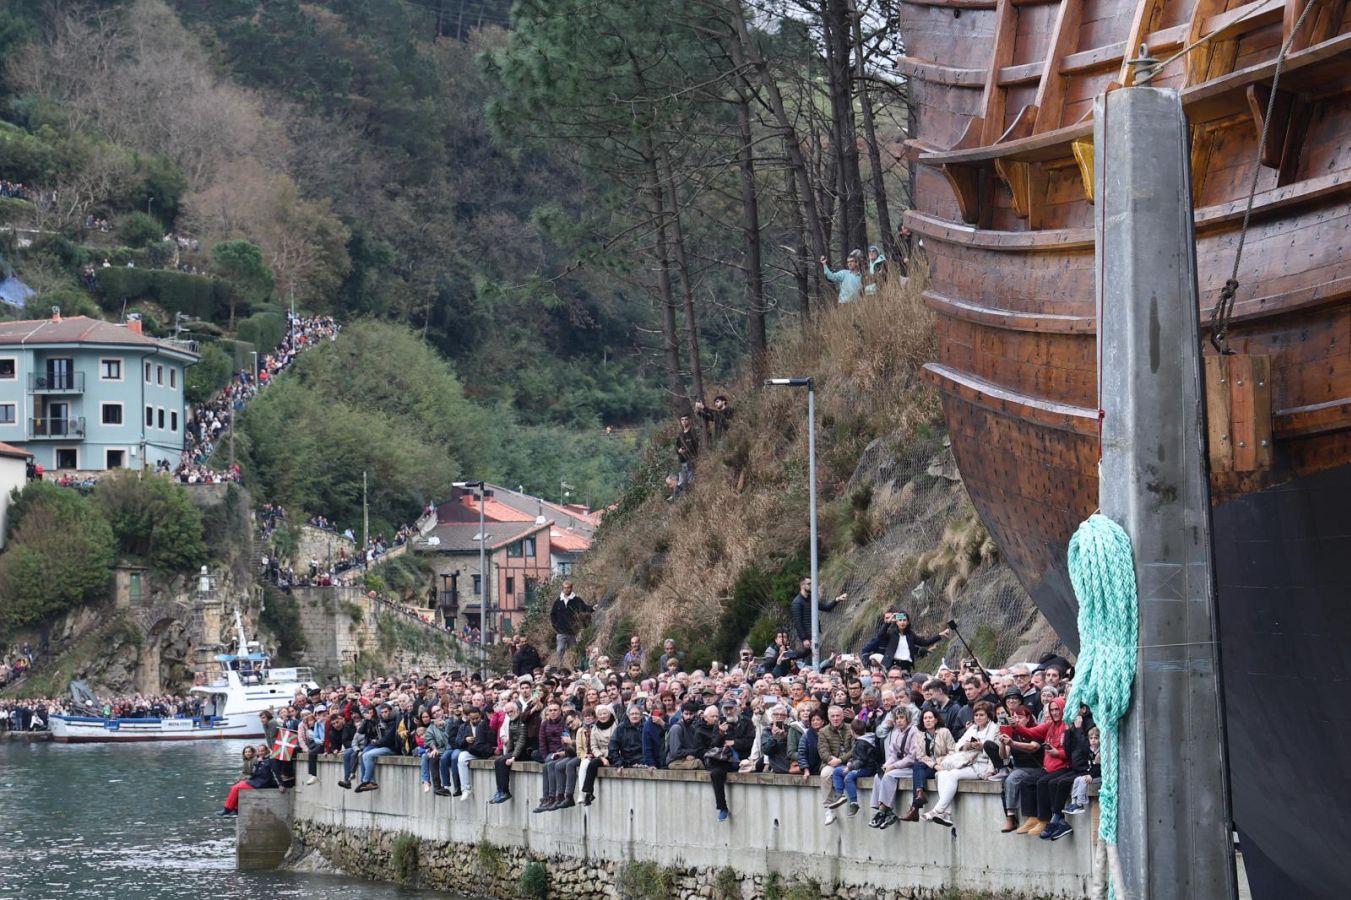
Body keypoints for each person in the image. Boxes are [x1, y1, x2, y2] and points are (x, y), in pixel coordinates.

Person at [924, 700, 1001, 828]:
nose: (978, 718)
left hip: (982, 765)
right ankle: (945, 814)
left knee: (952, 775)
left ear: (988, 716)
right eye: (976, 715)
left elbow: (995, 751)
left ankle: (937, 811)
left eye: (982, 715)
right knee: (942, 774)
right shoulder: (972, 728)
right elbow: (957, 745)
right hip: (967, 761)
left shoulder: (994, 728)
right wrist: (967, 746)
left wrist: (981, 747)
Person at [869, 707, 918, 829]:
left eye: (902, 718)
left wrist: (893, 766)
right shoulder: (896, 732)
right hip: (899, 765)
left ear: (908, 719)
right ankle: (886, 812)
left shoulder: (914, 732)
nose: (899, 721)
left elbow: (912, 757)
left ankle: (882, 812)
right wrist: (887, 765)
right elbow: (894, 755)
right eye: (897, 718)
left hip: (912, 767)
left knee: (889, 776)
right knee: (879, 775)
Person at [903, 707, 954, 821]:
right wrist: (934, 765)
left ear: (936, 720)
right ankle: (920, 794)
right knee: (918, 765)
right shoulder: (920, 735)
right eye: (925, 718)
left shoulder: (944, 732)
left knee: (917, 769)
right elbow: (920, 756)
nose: (927, 720)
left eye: (930, 717)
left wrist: (938, 763)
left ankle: (915, 808)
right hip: (931, 767)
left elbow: (952, 752)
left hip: (944, 766)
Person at [692, 704, 737, 822]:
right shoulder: (700, 731)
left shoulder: (725, 726)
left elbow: (733, 741)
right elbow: (700, 751)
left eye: (717, 716)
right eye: (713, 716)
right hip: (714, 761)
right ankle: (722, 807)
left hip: (729, 758)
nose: (716, 719)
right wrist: (720, 735)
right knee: (716, 774)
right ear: (705, 717)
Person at [217, 744, 284, 816]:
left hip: (261, 782)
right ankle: (236, 809)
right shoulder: (261, 759)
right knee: (235, 786)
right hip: (256, 780)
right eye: (259, 751)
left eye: (263, 751)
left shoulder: (271, 760)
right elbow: (255, 772)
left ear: (267, 750)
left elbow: (276, 773)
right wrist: (258, 763)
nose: (261, 752)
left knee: (235, 788)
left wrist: (281, 784)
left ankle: (227, 809)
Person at [789, 577, 848, 659]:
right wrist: (804, 639)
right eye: (809, 584)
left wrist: (837, 599)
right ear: (802, 585)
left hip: (815, 635)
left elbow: (826, 608)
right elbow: (797, 622)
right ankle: (785, 657)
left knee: (815, 657)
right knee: (806, 657)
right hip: (807, 637)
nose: (811, 586)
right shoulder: (797, 602)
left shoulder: (812, 599)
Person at [549, 582, 592, 660]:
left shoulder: (576, 600)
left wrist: (592, 608)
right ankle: (560, 666)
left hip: (572, 632)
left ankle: (573, 667)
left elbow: (584, 608)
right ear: (562, 589)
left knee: (573, 651)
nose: (566, 589)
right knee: (560, 649)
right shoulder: (558, 601)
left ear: (571, 588)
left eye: (568, 587)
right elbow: (552, 615)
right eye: (565, 588)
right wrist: (556, 626)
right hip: (561, 631)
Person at [674, 413, 699, 495]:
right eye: (682, 420)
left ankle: (693, 495)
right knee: (682, 482)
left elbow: (696, 445)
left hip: (691, 460)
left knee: (691, 481)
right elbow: (676, 447)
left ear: (690, 420)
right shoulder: (680, 435)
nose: (684, 421)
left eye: (686, 419)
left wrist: (686, 450)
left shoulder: (693, 432)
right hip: (682, 461)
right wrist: (679, 451)